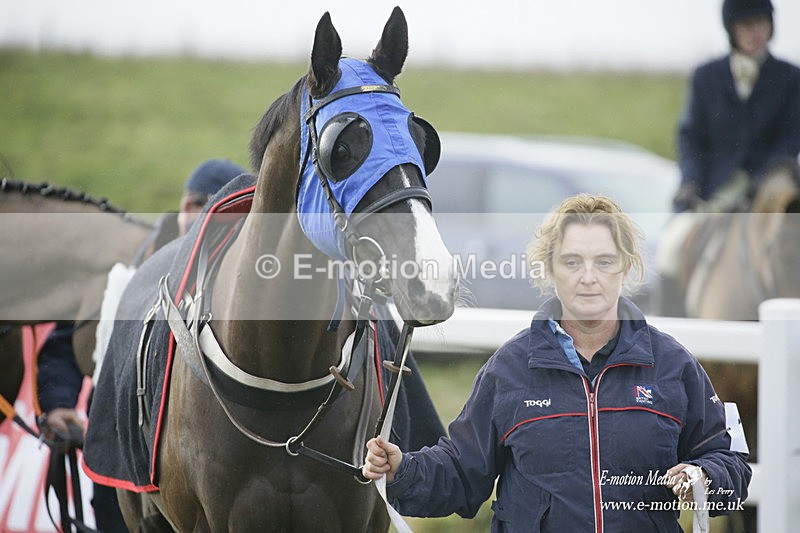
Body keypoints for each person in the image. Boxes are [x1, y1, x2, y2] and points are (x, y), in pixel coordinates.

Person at [363, 194, 751, 531]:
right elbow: (463, 472)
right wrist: (403, 470)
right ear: (549, 270)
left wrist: (704, 476)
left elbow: (729, 460)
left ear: (626, 269)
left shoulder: (674, 366)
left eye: (604, 262)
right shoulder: (509, 370)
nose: (588, 278)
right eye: (571, 262)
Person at [36, 158, 245, 531]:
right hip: (116, 455)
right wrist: (58, 404)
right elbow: (67, 342)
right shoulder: (126, 267)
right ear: (189, 209)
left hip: (189, 469)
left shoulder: (229, 282)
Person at [673, 0, 800, 213]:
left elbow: (791, 138)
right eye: (746, 24)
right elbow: (691, 138)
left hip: (769, 188)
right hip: (713, 187)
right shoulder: (705, 77)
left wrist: (762, 179)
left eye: (760, 22)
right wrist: (691, 181)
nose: (755, 32)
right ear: (732, 28)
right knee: (675, 239)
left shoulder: (790, 77)